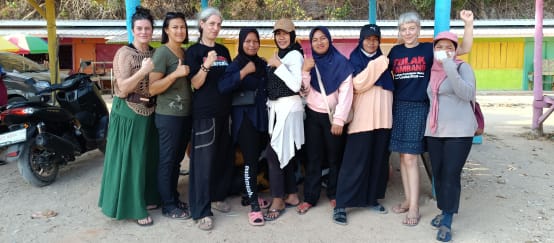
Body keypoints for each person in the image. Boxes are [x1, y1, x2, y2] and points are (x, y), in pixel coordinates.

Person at [388, 10, 474, 226]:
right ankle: (408, 200)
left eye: (412, 28)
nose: (408, 33)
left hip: (419, 107)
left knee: (411, 157)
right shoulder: (395, 52)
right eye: (403, 29)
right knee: (402, 157)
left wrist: (468, 24)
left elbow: (463, 48)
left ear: (419, 29)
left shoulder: (429, 49)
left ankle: (415, 207)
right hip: (399, 107)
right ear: (399, 31)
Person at [98, 6, 160, 226]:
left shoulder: (154, 52)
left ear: (152, 30)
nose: (144, 32)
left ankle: (149, 197)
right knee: (132, 160)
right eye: (140, 28)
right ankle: (134, 208)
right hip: (128, 112)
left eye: (148, 28)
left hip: (150, 112)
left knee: (149, 158)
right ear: (133, 30)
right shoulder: (125, 53)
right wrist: (143, 71)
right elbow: (122, 89)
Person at [333, 24, 393, 225]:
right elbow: (357, 84)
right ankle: (341, 204)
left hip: (384, 120)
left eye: (375, 39)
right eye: (368, 38)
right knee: (354, 162)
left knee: (378, 161)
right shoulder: (356, 60)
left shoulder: (384, 61)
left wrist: (381, 63)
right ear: (361, 40)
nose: (371, 42)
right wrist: (380, 63)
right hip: (362, 120)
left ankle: (370, 199)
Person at [425, 31, 476, 242]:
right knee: (438, 173)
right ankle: (443, 208)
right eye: (439, 47)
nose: (444, 51)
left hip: (460, 131)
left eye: (449, 47)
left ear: (455, 50)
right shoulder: (431, 71)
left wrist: (449, 65)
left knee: (451, 174)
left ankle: (447, 218)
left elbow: (467, 93)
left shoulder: (463, 67)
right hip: (435, 131)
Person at [185, 7, 233, 231]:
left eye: (219, 24)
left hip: (225, 112)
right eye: (212, 23)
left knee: (221, 159)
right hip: (205, 114)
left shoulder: (224, 50)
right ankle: (201, 211)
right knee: (202, 164)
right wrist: (207, 64)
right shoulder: (194, 52)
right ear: (202, 24)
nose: (216, 28)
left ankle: (216, 197)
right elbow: (195, 83)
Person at [297, 26, 353, 215]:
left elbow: (346, 95)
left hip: (333, 118)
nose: (319, 42)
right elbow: (302, 91)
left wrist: (339, 120)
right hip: (313, 115)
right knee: (313, 157)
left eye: (323, 38)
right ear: (311, 43)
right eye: (315, 39)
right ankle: (310, 197)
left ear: (329, 40)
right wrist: (305, 72)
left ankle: (334, 193)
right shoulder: (309, 63)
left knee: (335, 157)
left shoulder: (341, 63)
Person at [219, 28, 270, 226]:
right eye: (247, 41)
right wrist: (242, 73)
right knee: (249, 161)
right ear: (241, 43)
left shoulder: (262, 64)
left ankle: (251, 195)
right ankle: (254, 209)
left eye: (255, 41)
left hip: (261, 117)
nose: (251, 45)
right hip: (245, 120)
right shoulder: (236, 64)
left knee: (256, 159)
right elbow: (223, 87)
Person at [148, 11, 192, 220]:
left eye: (182, 26)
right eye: (174, 27)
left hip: (184, 115)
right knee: (167, 160)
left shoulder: (184, 52)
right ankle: (168, 205)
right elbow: (152, 88)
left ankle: (173, 198)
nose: (179, 30)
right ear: (166, 30)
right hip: (168, 116)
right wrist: (175, 74)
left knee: (176, 160)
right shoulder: (162, 54)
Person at [263, 18, 304, 221]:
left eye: (285, 33)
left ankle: (278, 198)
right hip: (279, 108)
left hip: (288, 107)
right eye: (278, 33)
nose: (281, 37)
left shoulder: (295, 55)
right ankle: (293, 194)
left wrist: (278, 66)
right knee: (282, 152)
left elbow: (296, 85)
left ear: (292, 35)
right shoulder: (281, 54)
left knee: (274, 154)